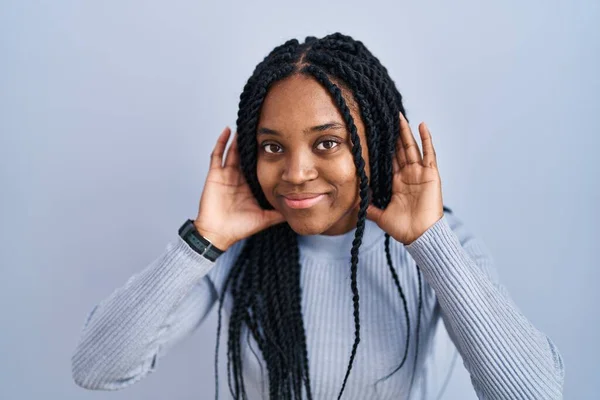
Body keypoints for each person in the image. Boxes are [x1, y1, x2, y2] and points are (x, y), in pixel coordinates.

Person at [71, 33, 565, 400]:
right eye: (272, 147)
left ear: (374, 143)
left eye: (327, 143)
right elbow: (95, 368)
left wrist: (429, 242)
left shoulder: (439, 243)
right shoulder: (234, 248)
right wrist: (202, 241)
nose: (296, 172)